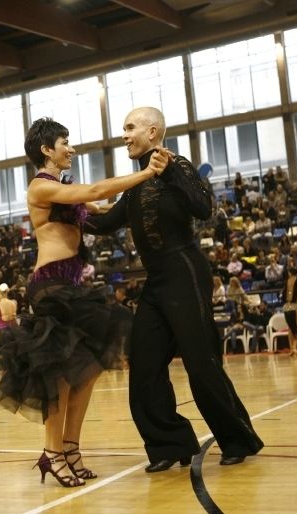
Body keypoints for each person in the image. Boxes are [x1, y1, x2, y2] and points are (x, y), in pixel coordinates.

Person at [0, 117, 169, 488]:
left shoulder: (60, 187)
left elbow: (105, 207)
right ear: (46, 150)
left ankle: (70, 448)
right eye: (64, 142)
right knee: (60, 377)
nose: (70, 148)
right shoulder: (41, 187)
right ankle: (53, 452)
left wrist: (148, 190)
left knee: (84, 373)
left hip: (70, 285)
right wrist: (145, 173)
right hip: (51, 285)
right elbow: (95, 192)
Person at [84, 107, 263, 471]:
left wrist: (171, 176)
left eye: (130, 127)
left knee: (201, 362)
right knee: (145, 363)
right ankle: (170, 444)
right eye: (123, 128)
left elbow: (204, 207)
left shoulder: (176, 165)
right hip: (156, 281)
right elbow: (105, 222)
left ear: (153, 133)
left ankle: (237, 438)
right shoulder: (136, 184)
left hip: (184, 270)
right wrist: (69, 208)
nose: (124, 134)